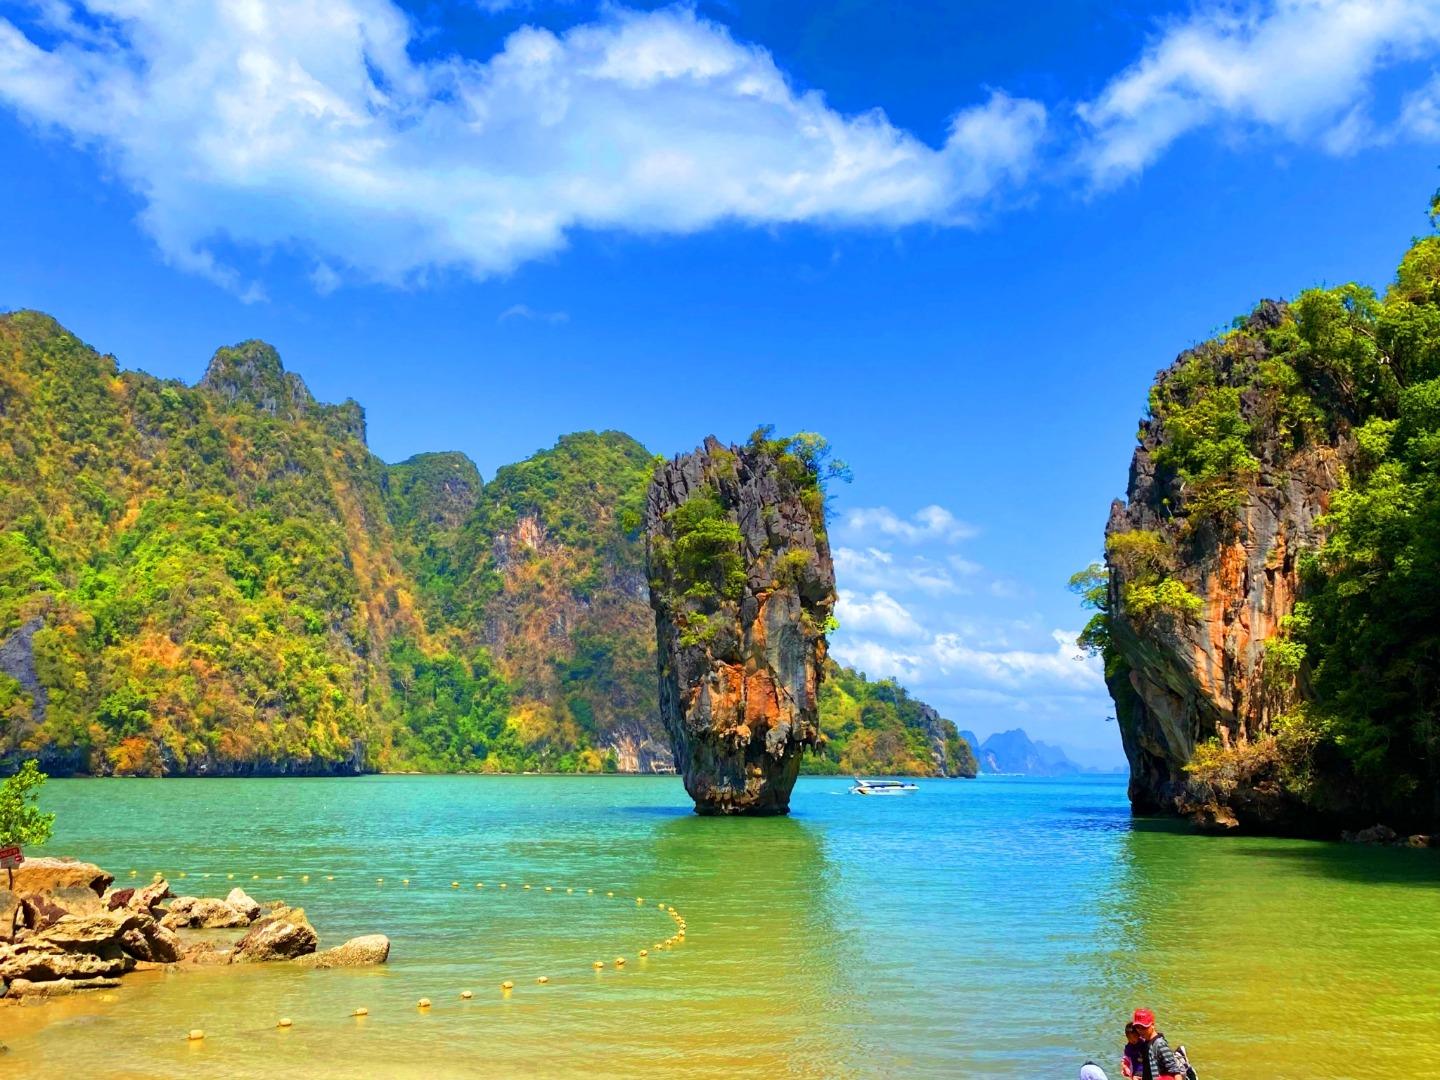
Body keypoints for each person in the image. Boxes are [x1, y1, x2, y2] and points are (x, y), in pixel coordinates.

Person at [1129, 1008, 1186, 1080]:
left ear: (1152, 1025)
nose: (1140, 1030)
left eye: (1144, 1027)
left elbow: (1174, 1070)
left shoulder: (1160, 1044)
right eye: (1137, 1027)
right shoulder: (1145, 1044)